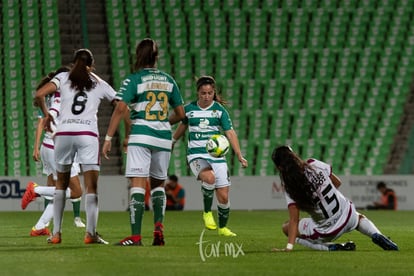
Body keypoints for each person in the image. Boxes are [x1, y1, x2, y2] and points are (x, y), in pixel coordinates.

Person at [102, 38, 185, 246]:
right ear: (156, 57)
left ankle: (136, 236)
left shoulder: (134, 79)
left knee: (137, 184)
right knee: (158, 185)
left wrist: (108, 137)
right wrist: (163, 121)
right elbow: (181, 114)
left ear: (138, 55)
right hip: (164, 138)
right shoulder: (169, 80)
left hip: (141, 135)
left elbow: (121, 108)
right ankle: (158, 231)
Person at [35, 49, 119, 244]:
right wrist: (110, 136)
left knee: (60, 186)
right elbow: (120, 104)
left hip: (63, 135)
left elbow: (39, 94)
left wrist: (47, 115)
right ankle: (90, 234)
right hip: (87, 135)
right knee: (91, 187)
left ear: (73, 63)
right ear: (92, 64)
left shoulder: (63, 77)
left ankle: (56, 234)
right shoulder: (98, 82)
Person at [271, 145, 399, 251]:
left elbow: (294, 220)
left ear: (279, 167)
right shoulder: (314, 163)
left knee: (286, 227)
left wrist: (288, 247)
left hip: (328, 230)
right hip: (348, 214)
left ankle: (331, 248)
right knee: (359, 218)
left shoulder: (290, 186)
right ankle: (377, 234)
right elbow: (337, 182)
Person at [172, 76, 248, 237]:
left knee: (224, 196)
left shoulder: (220, 111)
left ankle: (223, 228)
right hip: (196, 155)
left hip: (217, 157)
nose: (206, 96)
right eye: (203, 93)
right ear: (197, 93)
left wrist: (239, 155)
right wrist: (172, 141)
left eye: (210, 93)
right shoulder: (189, 109)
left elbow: (230, 132)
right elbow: (182, 126)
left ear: (214, 93)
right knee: (210, 178)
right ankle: (207, 212)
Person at [21, 67, 86, 237]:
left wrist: (36, 147)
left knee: (57, 190)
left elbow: (44, 121)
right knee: (76, 192)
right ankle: (36, 190)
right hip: (58, 148)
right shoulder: (60, 97)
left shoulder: (53, 96)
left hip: (48, 147)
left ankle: (40, 226)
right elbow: (48, 118)